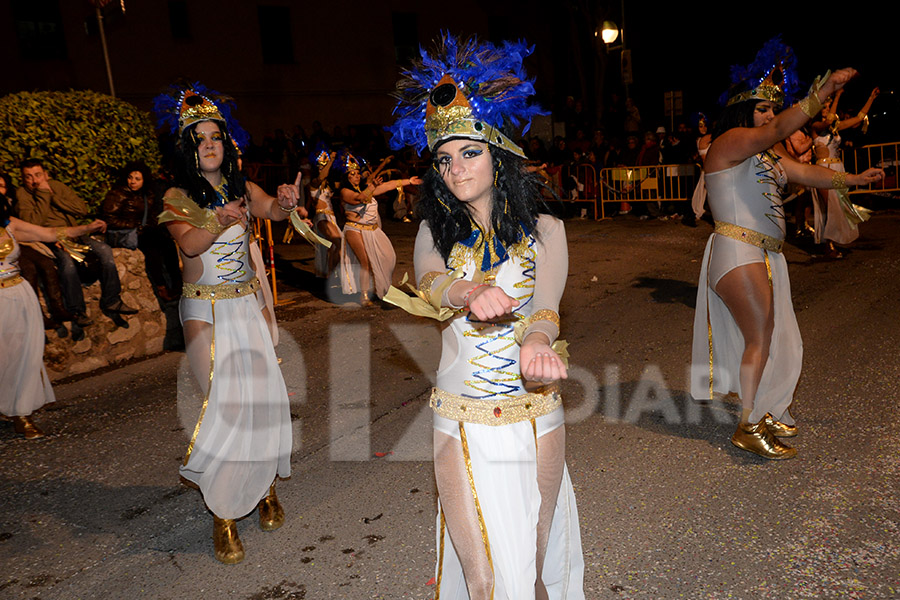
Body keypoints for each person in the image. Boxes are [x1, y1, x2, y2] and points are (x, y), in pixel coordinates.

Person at [387, 34, 584, 599]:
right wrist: (468, 291)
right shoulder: (432, 231)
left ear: (498, 153)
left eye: (469, 152)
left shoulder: (548, 230)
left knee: (534, 572)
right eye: (443, 158)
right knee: (485, 582)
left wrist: (539, 340)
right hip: (462, 418)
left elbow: (546, 304)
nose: (455, 168)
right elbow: (430, 280)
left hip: (536, 417)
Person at [690, 39, 885, 459]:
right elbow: (778, 131)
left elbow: (810, 173)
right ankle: (747, 425)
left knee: (783, 339)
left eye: (772, 109)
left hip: (764, 254)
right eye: (762, 108)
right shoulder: (730, 143)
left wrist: (857, 181)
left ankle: (766, 408)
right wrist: (826, 89)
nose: (770, 116)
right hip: (738, 249)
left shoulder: (765, 158)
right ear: (744, 111)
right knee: (761, 335)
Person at [153, 83, 303, 564]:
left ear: (228, 142)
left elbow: (271, 211)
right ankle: (222, 513)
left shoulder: (242, 186)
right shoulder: (177, 195)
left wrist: (285, 200)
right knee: (225, 408)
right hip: (205, 312)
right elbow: (192, 245)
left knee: (260, 404)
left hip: (245, 305)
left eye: (216, 135)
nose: (210, 144)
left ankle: (260, 489)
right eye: (199, 138)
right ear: (188, 147)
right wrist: (218, 219)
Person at [1, 198, 104, 438]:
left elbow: (49, 232)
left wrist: (86, 228)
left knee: (22, 354)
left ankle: (21, 414)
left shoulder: (9, 225)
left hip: (17, 293)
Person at [15, 159, 137, 327]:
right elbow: (32, 223)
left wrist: (53, 197)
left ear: (46, 174)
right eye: (28, 177)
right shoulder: (23, 194)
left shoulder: (56, 186)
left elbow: (81, 209)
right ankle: (77, 310)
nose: (34, 180)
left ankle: (112, 300)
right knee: (67, 262)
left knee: (104, 250)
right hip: (51, 238)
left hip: (76, 232)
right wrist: (43, 195)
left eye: (38, 175)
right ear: (23, 179)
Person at [336, 150, 421, 306]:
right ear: (346, 177)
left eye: (357, 173)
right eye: (352, 174)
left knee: (389, 257)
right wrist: (372, 187)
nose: (356, 176)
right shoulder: (345, 192)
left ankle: (380, 288)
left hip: (372, 229)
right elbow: (359, 199)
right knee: (365, 261)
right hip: (354, 229)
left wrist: (409, 181)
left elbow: (389, 185)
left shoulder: (365, 188)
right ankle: (364, 295)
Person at [0, 172, 76, 338]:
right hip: (6, 250)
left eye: (2, 186)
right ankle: (37, 315)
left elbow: (32, 228)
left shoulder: (11, 201)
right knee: (27, 268)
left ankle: (58, 308)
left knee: (46, 263)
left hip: (21, 241)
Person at [810, 86, 880, 256]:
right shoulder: (816, 126)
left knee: (838, 207)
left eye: (828, 107)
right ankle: (828, 245)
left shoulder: (836, 127)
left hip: (838, 168)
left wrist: (871, 98)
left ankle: (831, 242)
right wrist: (837, 97)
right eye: (825, 107)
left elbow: (858, 118)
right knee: (830, 207)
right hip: (822, 170)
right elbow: (827, 121)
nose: (827, 110)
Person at [101, 160, 182, 303]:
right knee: (151, 251)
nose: (133, 182)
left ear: (144, 180)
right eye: (130, 177)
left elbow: (151, 217)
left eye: (137, 179)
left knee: (167, 244)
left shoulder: (146, 195)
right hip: (126, 233)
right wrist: (133, 224)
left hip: (142, 231)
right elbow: (108, 219)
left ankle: (178, 284)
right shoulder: (118, 194)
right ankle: (161, 287)